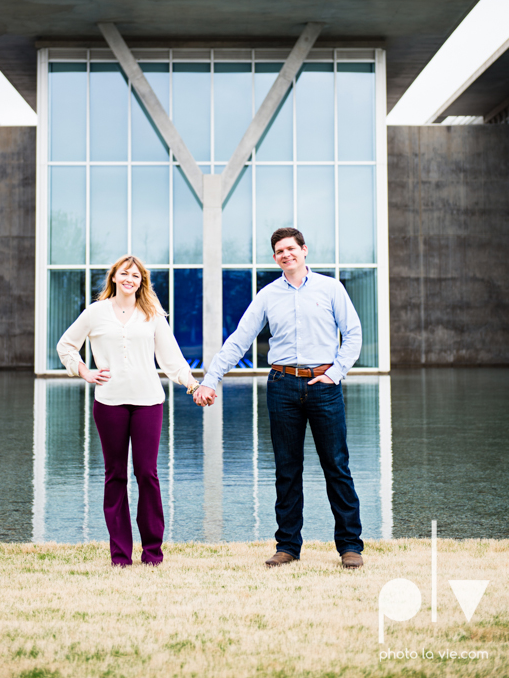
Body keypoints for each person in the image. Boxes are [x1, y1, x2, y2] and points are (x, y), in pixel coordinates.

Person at [194, 227, 364, 569]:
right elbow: (240, 339)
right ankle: (287, 546)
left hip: (324, 385)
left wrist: (334, 373)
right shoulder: (268, 295)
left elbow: (354, 334)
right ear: (275, 258)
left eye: (291, 249)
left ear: (304, 251)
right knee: (287, 470)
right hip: (282, 386)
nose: (286, 255)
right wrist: (210, 378)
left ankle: (350, 547)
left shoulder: (330, 288)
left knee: (337, 466)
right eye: (279, 252)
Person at [57, 254, 199, 567]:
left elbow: (171, 359)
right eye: (124, 274)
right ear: (114, 278)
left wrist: (193, 387)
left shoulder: (152, 314)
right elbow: (66, 345)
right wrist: (84, 371)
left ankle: (152, 554)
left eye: (135, 276)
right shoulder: (95, 313)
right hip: (109, 403)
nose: (129, 279)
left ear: (141, 281)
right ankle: (120, 556)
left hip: (148, 402)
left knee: (147, 474)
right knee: (115, 476)